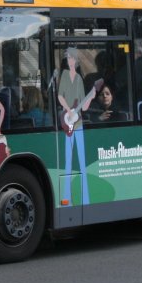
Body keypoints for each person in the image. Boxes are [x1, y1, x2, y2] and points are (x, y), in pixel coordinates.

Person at [57, 48, 96, 206]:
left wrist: (91, 97)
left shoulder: (79, 78)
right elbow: (60, 96)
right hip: (68, 123)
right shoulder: (64, 76)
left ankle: (85, 200)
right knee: (68, 163)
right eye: (68, 58)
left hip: (78, 125)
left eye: (72, 58)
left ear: (76, 60)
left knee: (82, 162)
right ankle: (67, 199)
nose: (70, 60)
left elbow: (84, 107)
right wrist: (68, 111)